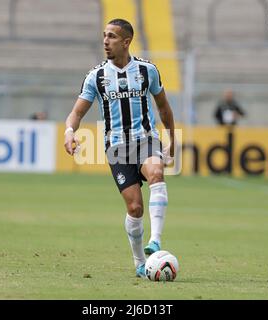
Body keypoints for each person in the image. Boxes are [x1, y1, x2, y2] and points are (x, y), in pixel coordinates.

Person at [64, 19, 176, 278]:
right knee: (135, 208)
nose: (105, 41)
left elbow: (163, 107)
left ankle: (156, 240)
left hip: (146, 138)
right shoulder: (97, 76)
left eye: (112, 36)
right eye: (104, 36)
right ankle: (139, 261)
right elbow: (76, 112)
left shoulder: (148, 70)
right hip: (117, 148)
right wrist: (70, 132)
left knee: (156, 173)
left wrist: (172, 139)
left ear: (126, 41)